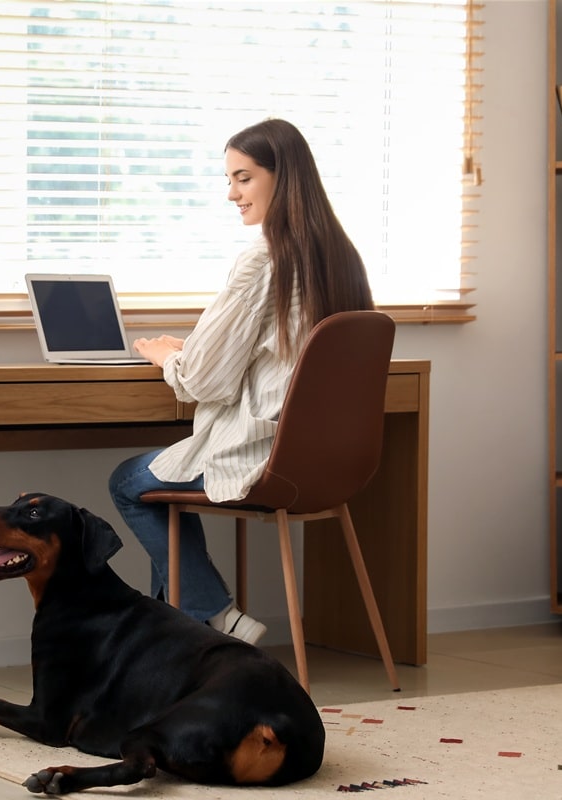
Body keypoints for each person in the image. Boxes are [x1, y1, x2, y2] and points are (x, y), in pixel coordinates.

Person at [108, 118, 374, 644]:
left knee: (128, 481)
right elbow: (287, 355)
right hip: (331, 466)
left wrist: (167, 357)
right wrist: (201, 353)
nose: (231, 193)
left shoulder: (264, 259)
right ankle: (189, 638)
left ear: (285, 178)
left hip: (266, 457)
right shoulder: (344, 259)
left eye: (244, 177)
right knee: (158, 480)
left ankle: (218, 618)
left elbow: (204, 382)